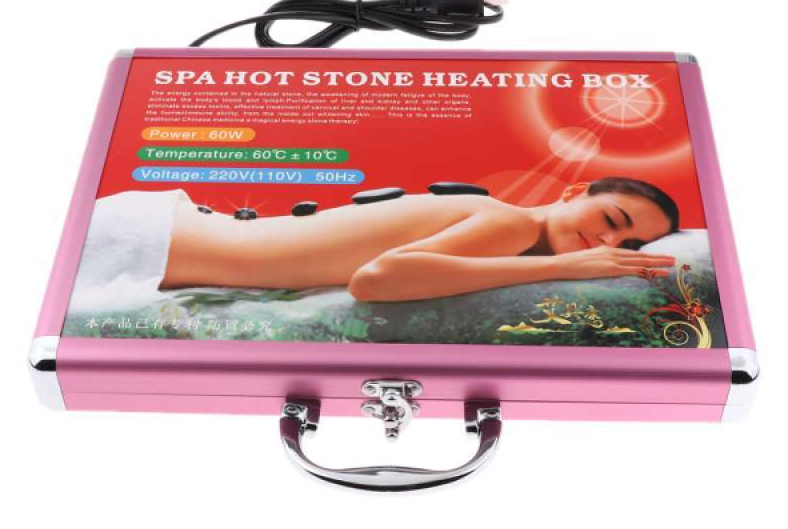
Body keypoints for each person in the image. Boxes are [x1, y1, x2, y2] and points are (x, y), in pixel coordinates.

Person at [155, 176, 678, 302]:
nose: (606, 239)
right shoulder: (512, 224)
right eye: (611, 217)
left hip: (173, 233)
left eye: (629, 245)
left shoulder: (500, 222)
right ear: (574, 192)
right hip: (159, 240)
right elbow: (376, 281)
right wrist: (563, 267)